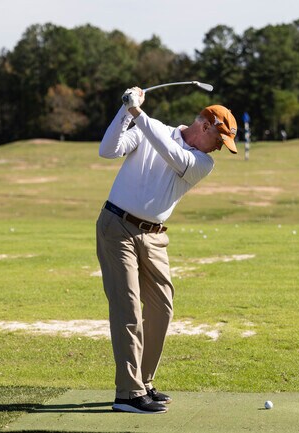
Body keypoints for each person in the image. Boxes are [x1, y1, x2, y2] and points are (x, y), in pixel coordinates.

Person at [96, 87, 238, 414]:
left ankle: (143, 382)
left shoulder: (202, 162)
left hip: (155, 236)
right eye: (219, 139)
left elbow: (171, 154)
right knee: (128, 308)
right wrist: (124, 111)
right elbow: (108, 150)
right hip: (117, 227)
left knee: (162, 307)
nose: (219, 148)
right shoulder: (152, 128)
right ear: (204, 126)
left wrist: (137, 114)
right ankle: (128, 394)